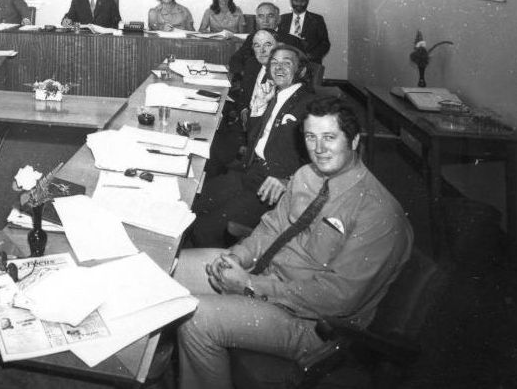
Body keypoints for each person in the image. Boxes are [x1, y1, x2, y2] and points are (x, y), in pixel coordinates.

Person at [175, 97, 413, 389]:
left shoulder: (379, 214)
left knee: (196, 318)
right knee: (171, 267)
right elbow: (272, 227)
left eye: (329, 137)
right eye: (311, 137)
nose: (319, 149)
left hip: (313, 324)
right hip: (267, 276)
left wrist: (250, 285)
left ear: (353, 140)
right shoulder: (306, 176)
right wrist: (238, 257)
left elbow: (337, 299)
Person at [188, 44, 313, 247]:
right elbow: (256, 141)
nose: (279, 67)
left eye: (287, 63)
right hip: (249, 173)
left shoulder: (309, 104)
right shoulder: (277, 95)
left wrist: (289, 180)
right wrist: (257, 110)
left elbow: (322, 156)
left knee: (205, 229)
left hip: (271, 188)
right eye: (275, 62)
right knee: (190, 201)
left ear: (301, 70)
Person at [206, 29, 278, 177]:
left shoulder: (279, 73)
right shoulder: (253, 64)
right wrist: (244, 110)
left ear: (278, 47)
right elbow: (244, 97)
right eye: (257, 46)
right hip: (245, 123)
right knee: (208, 137)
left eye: (268, 45)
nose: (262, 50)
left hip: (262, 130)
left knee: (213, 151)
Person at [227, 2, 293, 77]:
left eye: (270, 16)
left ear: (278, 19)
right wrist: (245, 75)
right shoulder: (252, 37)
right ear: (256, 20)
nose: (265, 20)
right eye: (261, 16)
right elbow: (236, 59)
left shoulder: (291, 41)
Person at [278, 0, 330, 64]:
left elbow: (325, 43)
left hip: (310, 62)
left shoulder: (317, 19)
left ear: (307, 1)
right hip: (286, 61)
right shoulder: (282, 18)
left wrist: (311, 56)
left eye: (302, 1)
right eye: (296, 0)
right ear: (291, 1)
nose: (299, 4)